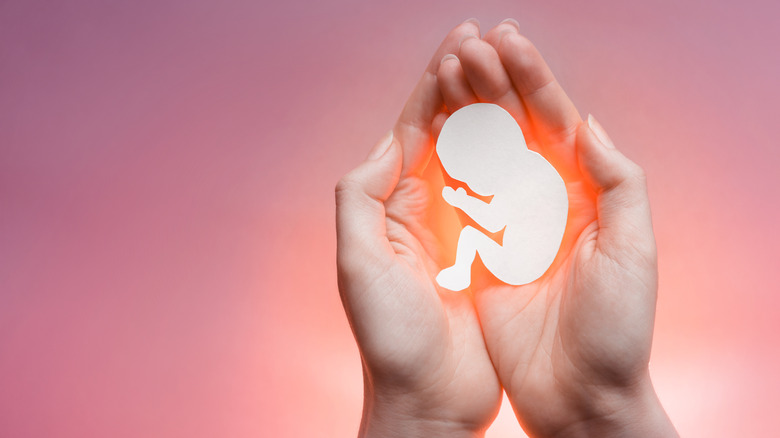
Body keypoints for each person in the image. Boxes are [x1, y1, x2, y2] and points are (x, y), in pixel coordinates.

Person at [335, 18, 678, 437]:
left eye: (468, 177)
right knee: (472, 234)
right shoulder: (526, 169)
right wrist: (418, 409)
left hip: (519, 260)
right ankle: (464, 271)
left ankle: (463, 269)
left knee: (470, 235)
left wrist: (464, 202)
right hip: (522, 253)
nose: (469, 186)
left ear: (489, 164)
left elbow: (495, 221)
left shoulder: (519, 181)